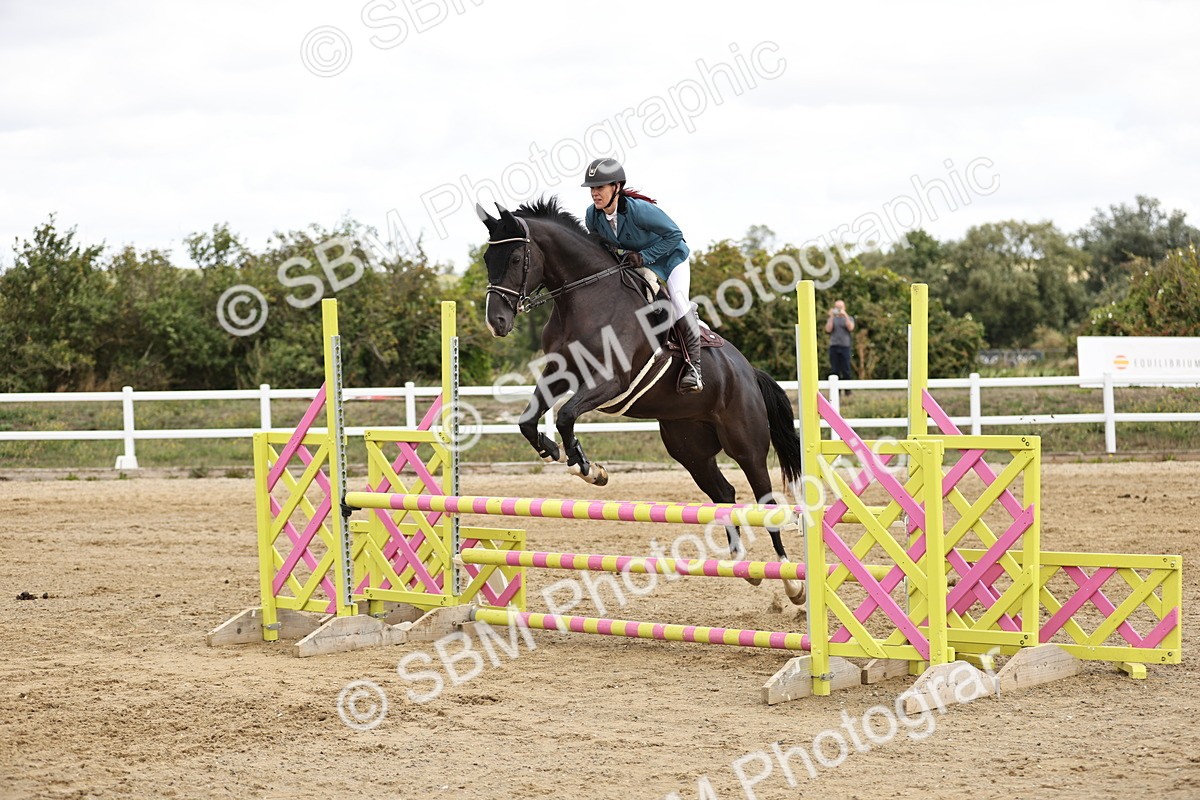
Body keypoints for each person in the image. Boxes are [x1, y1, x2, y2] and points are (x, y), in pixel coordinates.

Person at [581, 157, 702, 393]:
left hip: (671, 259)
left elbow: (675, 235)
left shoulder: (639, 211)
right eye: (592, 188)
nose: (595, 193)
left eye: (600, 187)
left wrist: (645, 257)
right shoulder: (592, 216)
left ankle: (694, 367)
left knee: (677, 301)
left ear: (616, 187)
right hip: (637, 262)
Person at [824, 299, 855, 394]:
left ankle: (848, 391)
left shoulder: (849, 318)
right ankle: (836, 392)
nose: (838, 309)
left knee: (846, 369)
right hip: (834, 346)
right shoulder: (832, 319)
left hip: (845, 346)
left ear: (844, 308)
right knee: (834, 369)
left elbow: (851, 327)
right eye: (837, 307)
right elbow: (828, 329)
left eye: (840, 307)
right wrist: (831, 317)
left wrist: (845, 315)